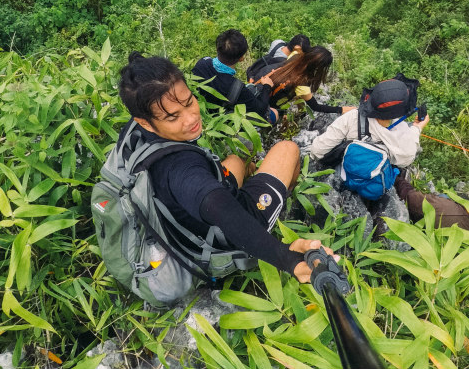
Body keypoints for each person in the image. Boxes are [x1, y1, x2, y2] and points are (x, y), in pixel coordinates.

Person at [118, 52, 333, 283]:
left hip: (184, 223)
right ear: (144, 121)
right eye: (173, 117)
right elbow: (218, 205)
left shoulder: (136, 130)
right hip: (220, 236)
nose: (190, 119)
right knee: (288, 149)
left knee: (238, 161)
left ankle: (256, 178)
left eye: (190, 102)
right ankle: (273, 211)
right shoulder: (180, 169)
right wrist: (284, 256)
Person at [309, 78, 429, 169]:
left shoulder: (352, 118)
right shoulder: (402, 131)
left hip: (348, 170)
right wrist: (417, 128)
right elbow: (406, 159)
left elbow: (317, 150)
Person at [192, 29, 276, 122]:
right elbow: (260, 110)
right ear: (241, 58)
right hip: (219, 120)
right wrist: (267, 86)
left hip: (198, 110)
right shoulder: (236, 87)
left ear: (217, 48)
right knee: (273, 113)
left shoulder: (202, 62)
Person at [262, 45, 354, 118]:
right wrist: (341, 109)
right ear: (319, 68)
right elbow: (316, 107)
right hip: (267, 107)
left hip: (263, 89)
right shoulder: (302, 84)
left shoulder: (295, 55)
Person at [395, 177, 469, 234]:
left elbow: (409, 197)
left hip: (431, 224)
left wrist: (398, 179)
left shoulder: (442, 207)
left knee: (444, 196)